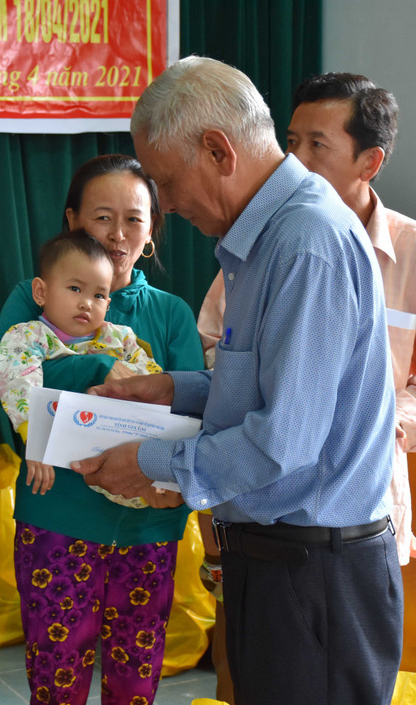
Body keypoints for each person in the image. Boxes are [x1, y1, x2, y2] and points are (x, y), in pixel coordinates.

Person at [72, 56, 403, 705]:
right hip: (277, 562)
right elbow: (267, 388)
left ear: (218, 150)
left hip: (316, 576)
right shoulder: (264, 239)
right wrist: (173, 389)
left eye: (166, 182)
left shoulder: (305, 242)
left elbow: (283, 440)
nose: (166, 205)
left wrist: (149, 463)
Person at [197, 71, 416, 703]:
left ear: (369, 161)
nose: (294, 159)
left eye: (317, 145)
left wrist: (384, 408)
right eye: (290, 140)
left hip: (358, 509)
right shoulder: (263, 242)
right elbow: (220, 348)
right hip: (266, 517)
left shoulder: (410, 252)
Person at [0, 154, 204, 705]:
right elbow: (8, 381)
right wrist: (102, 370)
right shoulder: (31, 297)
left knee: (135, 682)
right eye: (102, 217)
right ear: (72, 219)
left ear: (152, 229)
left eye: (134, 218)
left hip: (148, 525)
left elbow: (190, 412)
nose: (118, 234)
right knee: (57, 681)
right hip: (57, 514)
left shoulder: (171, 313)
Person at [0, 228, 162, 503]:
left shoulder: (120, 338)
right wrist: (36, 439)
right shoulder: (28, 336)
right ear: (40, 292)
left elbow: (154, 382)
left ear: (108, 304)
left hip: (135, 442)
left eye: (98, 296)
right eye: (75, 289)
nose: (86, 303)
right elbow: (18, 380)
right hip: (84, 457)